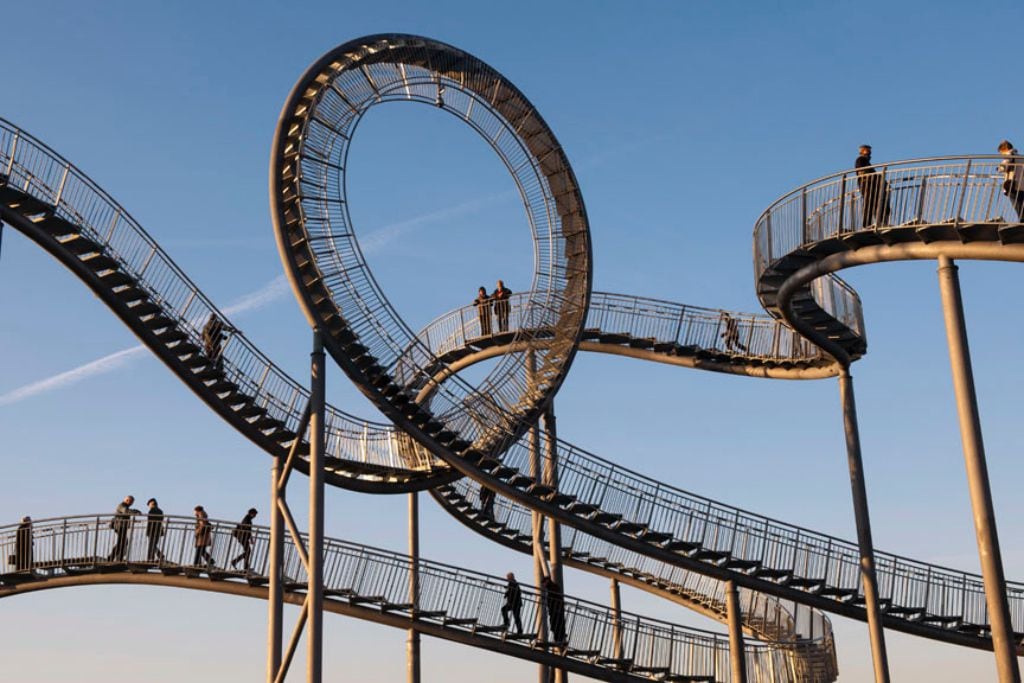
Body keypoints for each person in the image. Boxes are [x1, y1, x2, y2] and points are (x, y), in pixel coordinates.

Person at [854, 145, 890, 228]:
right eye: (867, 151)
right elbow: (862, 172)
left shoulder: (866, 161)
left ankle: (878, 221)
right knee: (869, 203)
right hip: (866, 185)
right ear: (863, 151)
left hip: (870, 185)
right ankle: (867, 224)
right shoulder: (861, 159)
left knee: (875, 203)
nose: (870, 153)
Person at [108, 495, 140, 562]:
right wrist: (136, 512)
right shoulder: (121, 505)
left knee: (123, 542)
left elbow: (128, 510)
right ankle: (113, 557)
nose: (131, 503)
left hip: (122, 526)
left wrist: (136, 511)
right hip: (120, 526)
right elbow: (126, 511)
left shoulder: (125, 506)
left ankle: (116, 557)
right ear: (128, 500)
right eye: (131, 502)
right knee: (122, 542)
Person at [998, 140, 1024, 221]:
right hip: (1022, 185)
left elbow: (1005, 164)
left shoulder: (1009, 154)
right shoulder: (1021, 157)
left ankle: (1022, 222)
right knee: (1021, 205)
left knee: (1017, 205)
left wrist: (1000, 168)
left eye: (1001, 152)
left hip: (1013, 185)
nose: (1001, 154)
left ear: (1004, 149)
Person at [542, 575, 566, 644]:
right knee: (557, 624)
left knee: (555, 625)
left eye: (543, 583)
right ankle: (559, 639)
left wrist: (556, 608)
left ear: (547, 581)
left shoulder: (552, 588)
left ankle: (558, 639)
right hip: (556, 609)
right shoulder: (552, 587)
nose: (543, 585)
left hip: (555, 609)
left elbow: (556, 598)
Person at [145, 498, 165, 562]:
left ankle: (151, 558)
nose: (149, 506)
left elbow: (151, 521)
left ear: (152, 504)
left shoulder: (152, 510)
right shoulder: (160, 511)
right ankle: (154, 557)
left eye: (149, 505)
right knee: (153, 544)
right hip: (158, 530)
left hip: (153, 530)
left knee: (151, 545)